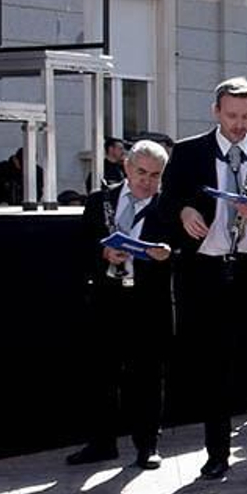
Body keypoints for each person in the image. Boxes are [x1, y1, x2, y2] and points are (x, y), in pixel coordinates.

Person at [160, 77, 247, 487]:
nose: (239, 124)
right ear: (216, 112)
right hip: (205, 272)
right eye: (232, 115)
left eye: (246, 116)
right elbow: (166, 205)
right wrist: (185, 212)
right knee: (212, 368)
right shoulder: (187, 153)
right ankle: (216, 456)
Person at [66, 140, 174, 470]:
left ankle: (147, 446)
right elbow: (81, 246)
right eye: (141, 172)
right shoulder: (101, 200)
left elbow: (181, 249)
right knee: (101, 373)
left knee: (147, 376)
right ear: (126, 167)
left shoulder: (169, 205)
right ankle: (102, 442)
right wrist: (103, 253)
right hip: (107, 297)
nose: (147, 181)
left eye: (155, 176)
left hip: (148, 301)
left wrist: (165, 254)